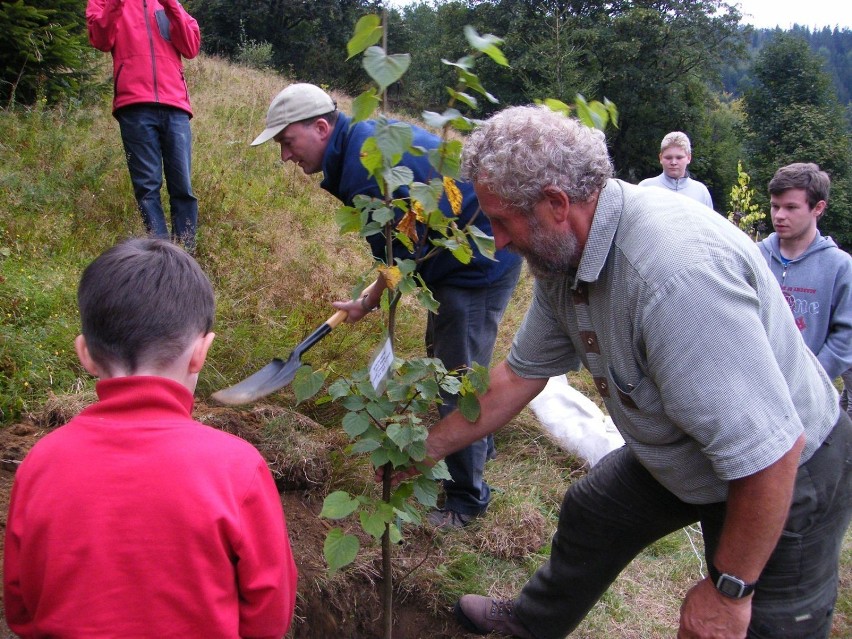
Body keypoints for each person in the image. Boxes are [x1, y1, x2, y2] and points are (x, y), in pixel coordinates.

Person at [397, 105, 851, 638]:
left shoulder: (674, 279)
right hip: (686, 445)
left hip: (787, 469)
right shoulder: (563, 258)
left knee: (759, 628)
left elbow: (770, 453)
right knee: (595, 512)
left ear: (555, 204)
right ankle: (528, 624)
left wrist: (728, 592)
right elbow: (519, 377)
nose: (495, 240)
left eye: (501, 221)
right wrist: (423, 452)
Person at [251, 83, 522, 529]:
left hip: (476, 257)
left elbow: (398, 254)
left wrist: (371, 299)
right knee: (448, 355)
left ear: (321, 127)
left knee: (457, 375)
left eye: (286, 142)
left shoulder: (364, 165)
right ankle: (477, 444)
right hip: (449, 255)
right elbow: (400, 249)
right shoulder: (356, 146)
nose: (285, 156)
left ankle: (466, 500)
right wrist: (369, 299)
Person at [4, 239, 297, 638]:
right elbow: (269, 618)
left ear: (85, 354)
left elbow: (21, 611)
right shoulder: (239, 468)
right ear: (201, 352)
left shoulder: (40, 463)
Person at [86, 0, 201, 252]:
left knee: (183, 187)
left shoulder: (170, 4)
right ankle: (160, 257)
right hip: (134, 105)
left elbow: (191, 47)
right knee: (147, 188)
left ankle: (187, 257)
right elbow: (100, 39)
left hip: (176, 106)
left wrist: (170, 5)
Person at [758, 163, 852, 416]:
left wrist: (811, 380)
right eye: (775, 206)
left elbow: (846, 336)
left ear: (818, 208)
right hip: (754, 392)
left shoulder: (840, 266)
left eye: (791, 207)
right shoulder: (755, 257)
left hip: (809, 400)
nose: (779, 215)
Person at [639, 131, 714, 208]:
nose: (673, 162)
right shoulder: (645, 188)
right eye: (668, 157)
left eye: (679, 157)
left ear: (689, 158)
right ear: (660, 158)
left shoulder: (701, 192)